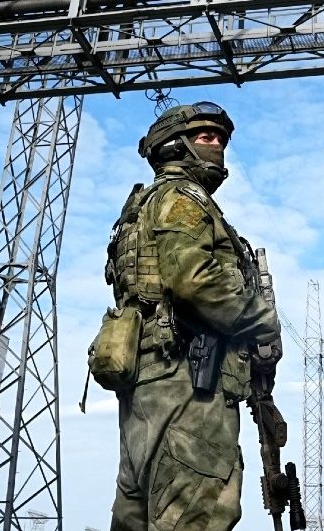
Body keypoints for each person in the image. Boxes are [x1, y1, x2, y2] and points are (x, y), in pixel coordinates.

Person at [99, 101, 281, 531]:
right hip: (189, 386)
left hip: (149, 390)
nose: (216, 145)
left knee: (137, 515)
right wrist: (263, 319)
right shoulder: (182, 200)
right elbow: (194, 282)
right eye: (205, 137)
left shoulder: (142, 207)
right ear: (173, 146)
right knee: (198, 509)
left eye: (221, 139)